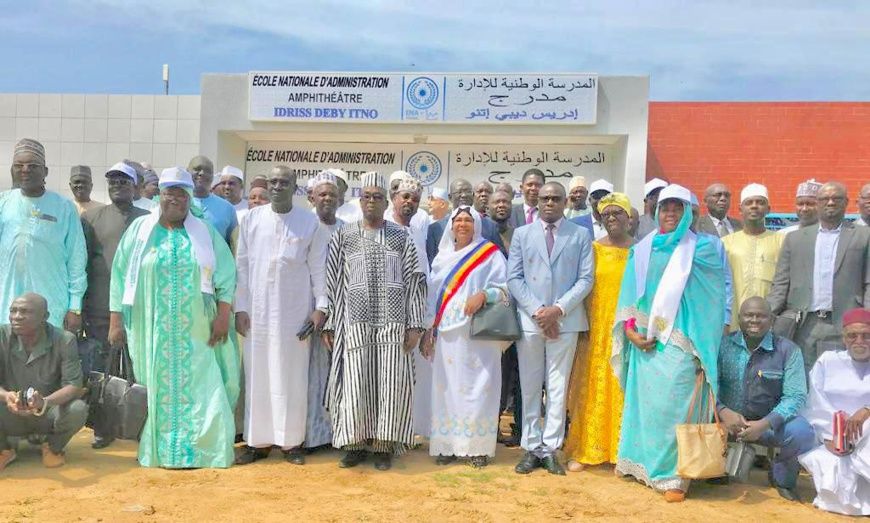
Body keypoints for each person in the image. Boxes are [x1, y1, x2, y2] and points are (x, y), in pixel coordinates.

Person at [109, 167, 239, 468]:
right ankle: (162, 452)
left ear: (190, 197)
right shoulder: (140, 231)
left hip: (199, 330)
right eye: (170, 193)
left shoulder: (204, 232)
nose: (175, 199)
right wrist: (116, 321)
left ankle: (203, 451)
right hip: (151, 328)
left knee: (204, 384)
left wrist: (223, 316)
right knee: (153, 384)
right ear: (160, 195)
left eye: (182, 194)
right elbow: (119, 276)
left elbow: (226, 276)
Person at [612, 184, 725, 502]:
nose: (671, 213)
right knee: (646, 408)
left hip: (683, 342)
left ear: (689, 213)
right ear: (656, 211)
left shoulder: (703, 250)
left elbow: (710, 302)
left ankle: (674, 476)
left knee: (674, 409)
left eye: (678, 208)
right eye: (665, 208)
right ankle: (638, 464)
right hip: (645, 340)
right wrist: (630, 329)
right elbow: (631, 292)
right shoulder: (643, 249)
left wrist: (699, 346)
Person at [321, 172, 427, 471]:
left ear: (386, 202)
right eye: (366, 196)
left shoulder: (401, 236)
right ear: (359, 201)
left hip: (393, 326)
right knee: (355, 383)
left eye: (377, 197)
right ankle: (354, 444)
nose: (371, 201)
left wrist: (415, 324)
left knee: (389, 384)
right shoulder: (344, 235)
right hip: (354, 325)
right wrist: (331, 322)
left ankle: (384, 446)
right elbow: (333, 281)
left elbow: (415, 282)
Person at [234, 165, 329, 466]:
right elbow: (242, 266)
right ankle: (258, 442)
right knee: (258, 375)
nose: (277, 187)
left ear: (294, 187)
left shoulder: (309, 223)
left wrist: (320, 308)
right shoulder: (251, 219)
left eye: (283, 182)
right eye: (272, 182)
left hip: (294, 313)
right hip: (257, 313)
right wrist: (240, 307)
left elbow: (318, 268)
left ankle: (291, 443)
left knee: (292, 376)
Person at [508, 182, 594, 476]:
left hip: (565, 321)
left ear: (565, 201)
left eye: (555, 198)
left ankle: (550, 449)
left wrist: (557, 310)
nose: (549, 203)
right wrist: (538, 312)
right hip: (531, 322)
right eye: (544, 198)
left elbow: (586, 279)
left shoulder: (580, 234)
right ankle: (531, 447)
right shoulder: (522, 234)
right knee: (530, 385)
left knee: (558, 386)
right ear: (537, 201)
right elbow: (514, 278)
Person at [421, 206, 509, 468]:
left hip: (479, 332)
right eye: (457, 220)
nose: (462, 224)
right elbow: (431, 298)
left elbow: (506, 288)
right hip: (447, 335)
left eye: (468, 220)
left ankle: (476, 448)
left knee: (478, 387)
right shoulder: (442, 258)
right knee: (447, 387)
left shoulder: (490, 254)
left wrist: (484, 295)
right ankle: (448, 444)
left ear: (476, 225)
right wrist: (428, 328)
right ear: (450, 226)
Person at [716, 297, 814, 501]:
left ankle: (782, 478)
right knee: (694, 416)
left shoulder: (788, 350)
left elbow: (795, 396)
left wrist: (764, 424)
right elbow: (707, 385)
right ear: (739, 318)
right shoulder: (722, 346)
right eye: (748, 315)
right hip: (726, 423)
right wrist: (722, 411)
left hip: (768, 426)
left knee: (802, 432)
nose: (754, 320)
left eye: (760, 316)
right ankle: (715, 469)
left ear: (772, 319)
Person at [80, 162, 149, 448]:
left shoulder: (148, 219)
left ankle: (140, 426)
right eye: (113, 181)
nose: (118, 185)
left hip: (139, 308)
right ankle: (104, 427)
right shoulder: (91, 218)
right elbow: (82, 263)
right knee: (102, 367)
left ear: (136, 187)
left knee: (139, 366)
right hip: (99, 305)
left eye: (124, 181)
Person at [768, 182, 870, 371]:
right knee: (803, 378)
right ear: (817, 203)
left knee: (842, 376)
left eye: (836, 198)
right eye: (825, 199)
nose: (830, 203)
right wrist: (767, 316)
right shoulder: (795, 239)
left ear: (846, 202)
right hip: (803, 325)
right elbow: (781, 284)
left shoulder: (863, 236)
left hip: (845, 323)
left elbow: (868, 282)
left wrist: (865, 319)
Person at [564, 193, 633, 472]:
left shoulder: (641, 251)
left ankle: (620, 452)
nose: (612, 218)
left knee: (622, 387)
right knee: (591, 387)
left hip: (627, 330)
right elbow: (581, 288)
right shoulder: (592, 249)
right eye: (606, 215)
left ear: (629, 217)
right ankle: (585, 448)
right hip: (595, 330)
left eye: (618, 213)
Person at [0, 138, 86, 332]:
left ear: (45, 171)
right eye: (19, 165)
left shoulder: (64, 207)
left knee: (47, 349)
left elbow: (76, 259)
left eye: (32, 166)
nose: (25, 170)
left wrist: (75, 307)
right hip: (7, 301)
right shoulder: (3, 203)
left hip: (51, 302)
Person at [0, 293, 88, 470]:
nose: (17, 317)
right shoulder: (2, 335)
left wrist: (45, 402)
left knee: (77, 409)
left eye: (25, 312)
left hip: (47, 413)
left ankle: (53, 447)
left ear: (45, 316)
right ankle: (4, 449)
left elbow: (73, 385)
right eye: (13, 311)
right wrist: (6, 396)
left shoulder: (64, 340)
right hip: (9, 411)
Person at [799, 308, 870, 515]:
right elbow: (815, 403)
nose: (859, 341)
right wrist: (831, 438)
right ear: (844, 339)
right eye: (853, 335)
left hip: (868, 438)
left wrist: (866, 410)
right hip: (833, 436)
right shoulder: (828, 361)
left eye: (866, 336)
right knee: (836, 493)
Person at [385, 174, 431, 439]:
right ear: (394, 198)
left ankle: (404, 432)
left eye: (415, 199)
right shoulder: (384, 229)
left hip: (414, 318)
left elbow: (423, 277)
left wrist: (422, 322)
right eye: (405, 197)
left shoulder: (416, 232)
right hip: (388, 318)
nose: (409, 202)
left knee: (409, 379)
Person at [304, 172, 343, 451]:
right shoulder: (305, 227)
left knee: (335, 373)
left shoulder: (347, 230)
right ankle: (312, 434)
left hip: (340, 310)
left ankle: (336, 433)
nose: (327, 198)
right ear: (312, 198)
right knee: (310, 373)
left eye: (332, 194)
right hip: (309, 309)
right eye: (322, 194)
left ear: (340, 199)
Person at [722, 184, 784, 331]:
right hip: (734, 322)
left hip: (769, 321)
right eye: (749, 202)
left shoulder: (781, 241)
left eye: (760, 202)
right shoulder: (725, 243)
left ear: (768, 209)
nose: (754, 206)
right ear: (740, 209)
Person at [489, 188, 522, 446]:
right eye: (496, 201)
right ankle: (489, 425)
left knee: (512, 374)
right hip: (489, 315)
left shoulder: (518, 235)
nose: (501, 205)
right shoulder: (481, 234)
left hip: (518, 312)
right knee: (493, 371)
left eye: (505, 201)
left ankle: (511, 425)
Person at [426, 178, 504, 264]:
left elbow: (500, 259)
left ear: (473, 195)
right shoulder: (435, 229)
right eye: (459, 192)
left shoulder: (490, 226)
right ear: (450, 197)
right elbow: (431, 262)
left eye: (467, 191)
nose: (463, 195)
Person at [188, 155, 238, 244]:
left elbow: (234, 244)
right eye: (197, 169)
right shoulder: (177, 204)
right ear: (187, 172)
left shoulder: (227, 208)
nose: (202, 173)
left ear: (212, 176)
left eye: (207, 170)